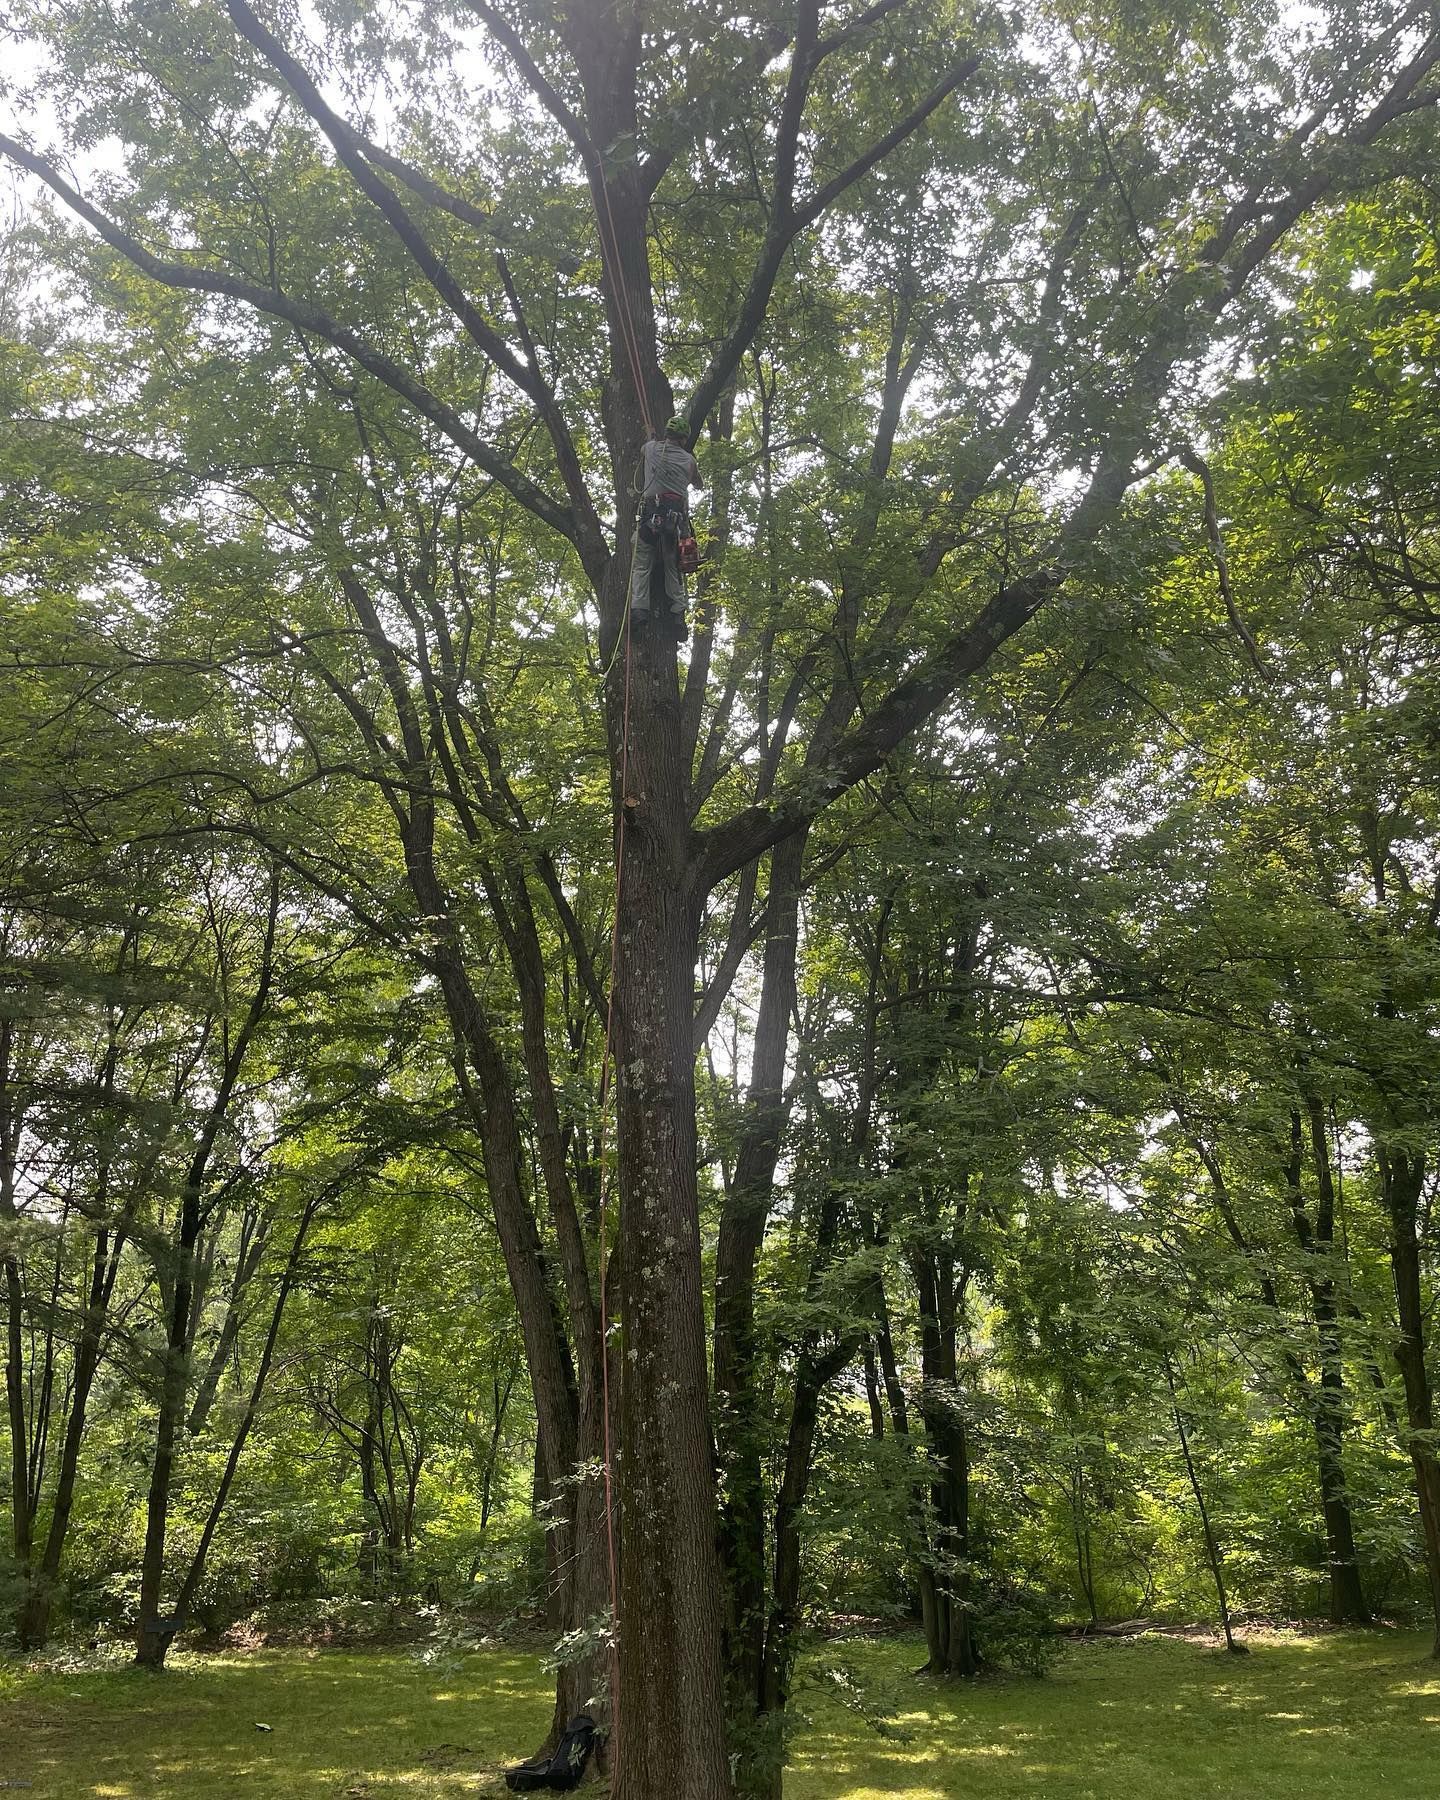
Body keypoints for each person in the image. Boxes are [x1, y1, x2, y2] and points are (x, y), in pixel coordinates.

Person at [630, 415, 702, 636]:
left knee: (641, 563)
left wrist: (651, 436)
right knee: (673, 566)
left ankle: (639, 611)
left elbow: (645, 450)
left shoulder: (652, 449)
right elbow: (698, 483)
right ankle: (678, 614)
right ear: (683, 439)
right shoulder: (689, 461)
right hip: (674, 522)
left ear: (667, 435)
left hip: (651, 518)